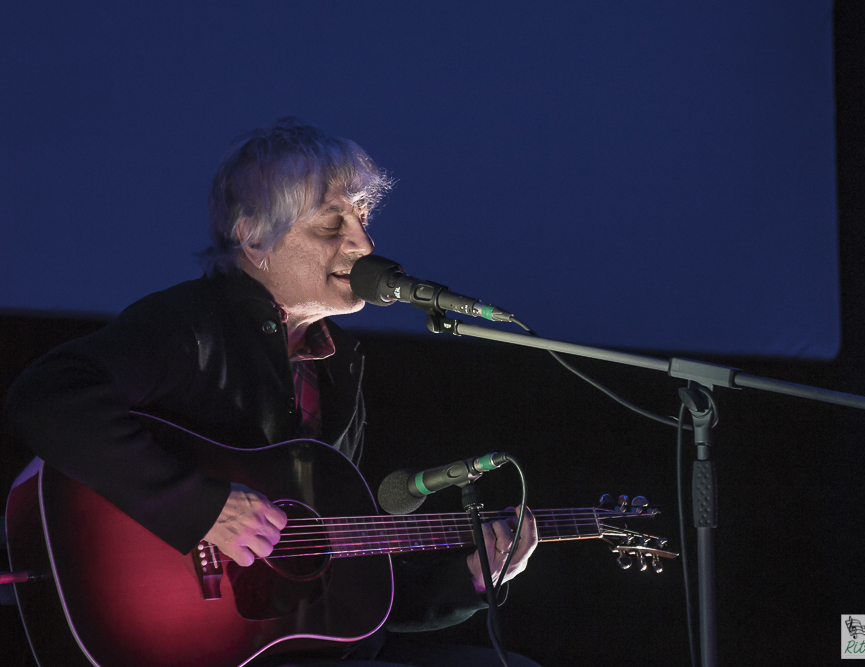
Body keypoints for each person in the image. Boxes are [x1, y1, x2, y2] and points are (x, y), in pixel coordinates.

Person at [2, 118, 538, 666]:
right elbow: (45, 397)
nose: (365, 245)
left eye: (364, 219)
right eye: (332, 225)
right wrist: (198, 508)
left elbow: (336, 571)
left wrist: (468, 580)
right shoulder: (191, 324)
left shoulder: (337, 364)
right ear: (255, 236)